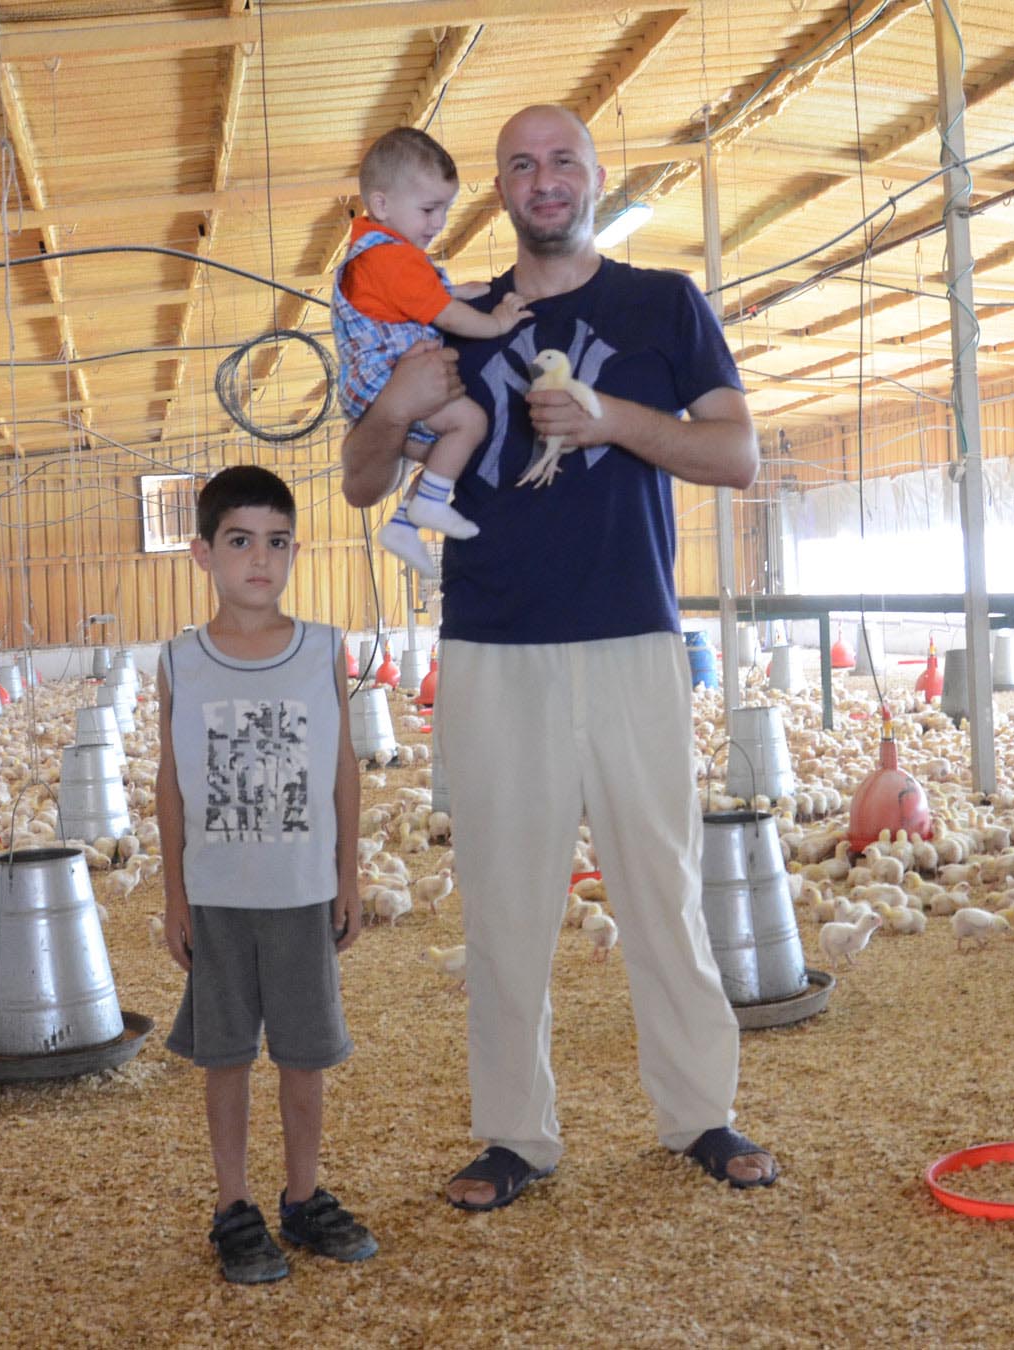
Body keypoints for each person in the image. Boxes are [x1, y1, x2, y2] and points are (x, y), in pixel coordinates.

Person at [339, 105, 778, 1210]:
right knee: (502, 903)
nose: (543, 179)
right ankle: (513, 1136)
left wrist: (610, 419)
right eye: (520, 165)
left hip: (631, 633)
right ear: (498, 188)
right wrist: (393, 409)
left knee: (661, 886)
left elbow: (734, 453)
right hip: (493, 644)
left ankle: (699, 1114)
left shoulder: (661, 303)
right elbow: (357, 481)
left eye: (562, 161)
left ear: (593, 177)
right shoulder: (458, 316)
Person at [156, 465, 376, 1283]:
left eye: (277, 543)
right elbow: (171, 782)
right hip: (216, 896)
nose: (260, 560)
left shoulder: (323, 649)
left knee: (304, 1056)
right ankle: (233, 1206)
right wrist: (175, 892)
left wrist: (346, 876)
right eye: (240, 541)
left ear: (294, 552)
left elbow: (342, 768)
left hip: (299, 893)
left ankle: (304, 1195)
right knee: (225, 1057)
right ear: (202, 554)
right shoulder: (179, 661)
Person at [332, 127, 534, 581]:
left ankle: (405, 523)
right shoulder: (392, 257)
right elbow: (445, 315)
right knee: (470, 422)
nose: (439, 222)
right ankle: (426, 503)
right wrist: (496, 321)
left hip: (372, 381)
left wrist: (455, 290)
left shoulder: (375, 255)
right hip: (386, 377)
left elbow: (412, 300)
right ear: (381, 205)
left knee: (443, 449)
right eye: (428, 209)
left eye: (445, 208)